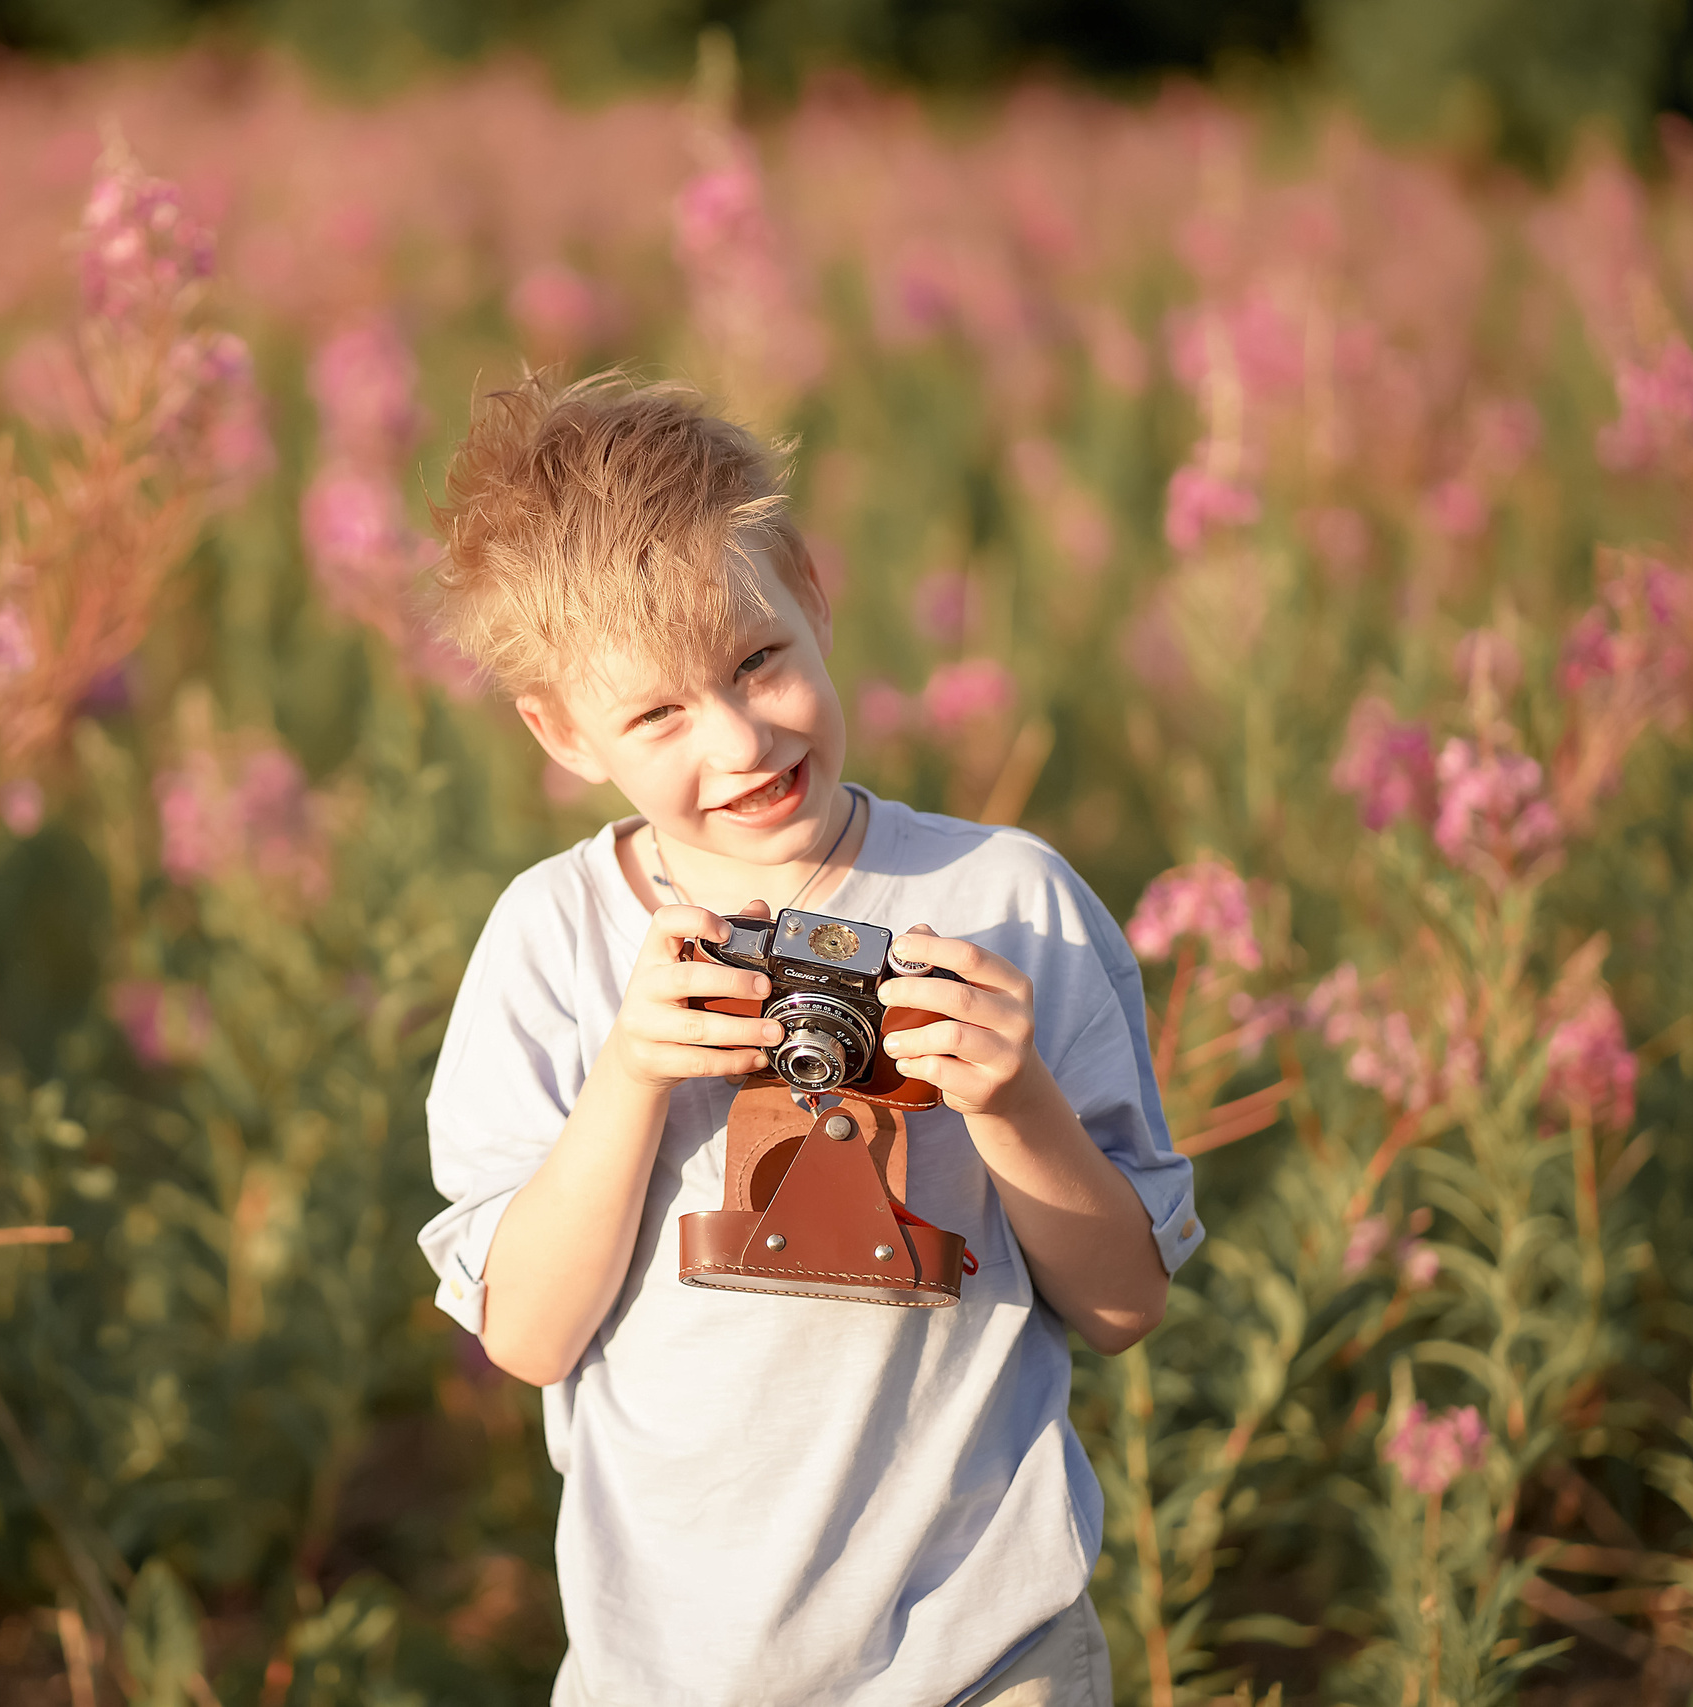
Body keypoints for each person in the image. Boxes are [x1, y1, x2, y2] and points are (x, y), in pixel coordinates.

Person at [415, 371, 1203, 1707]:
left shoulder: (1008, 904)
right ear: (558, 731)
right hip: (666, 1671)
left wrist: (1012, 1103)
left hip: (986, 1656)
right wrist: (631, 1073)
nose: (736, 739)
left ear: (810, 594)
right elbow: (529, 1340)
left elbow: (1125, 1303)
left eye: (757, 659)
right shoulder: (555, 939)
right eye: (656, 714)